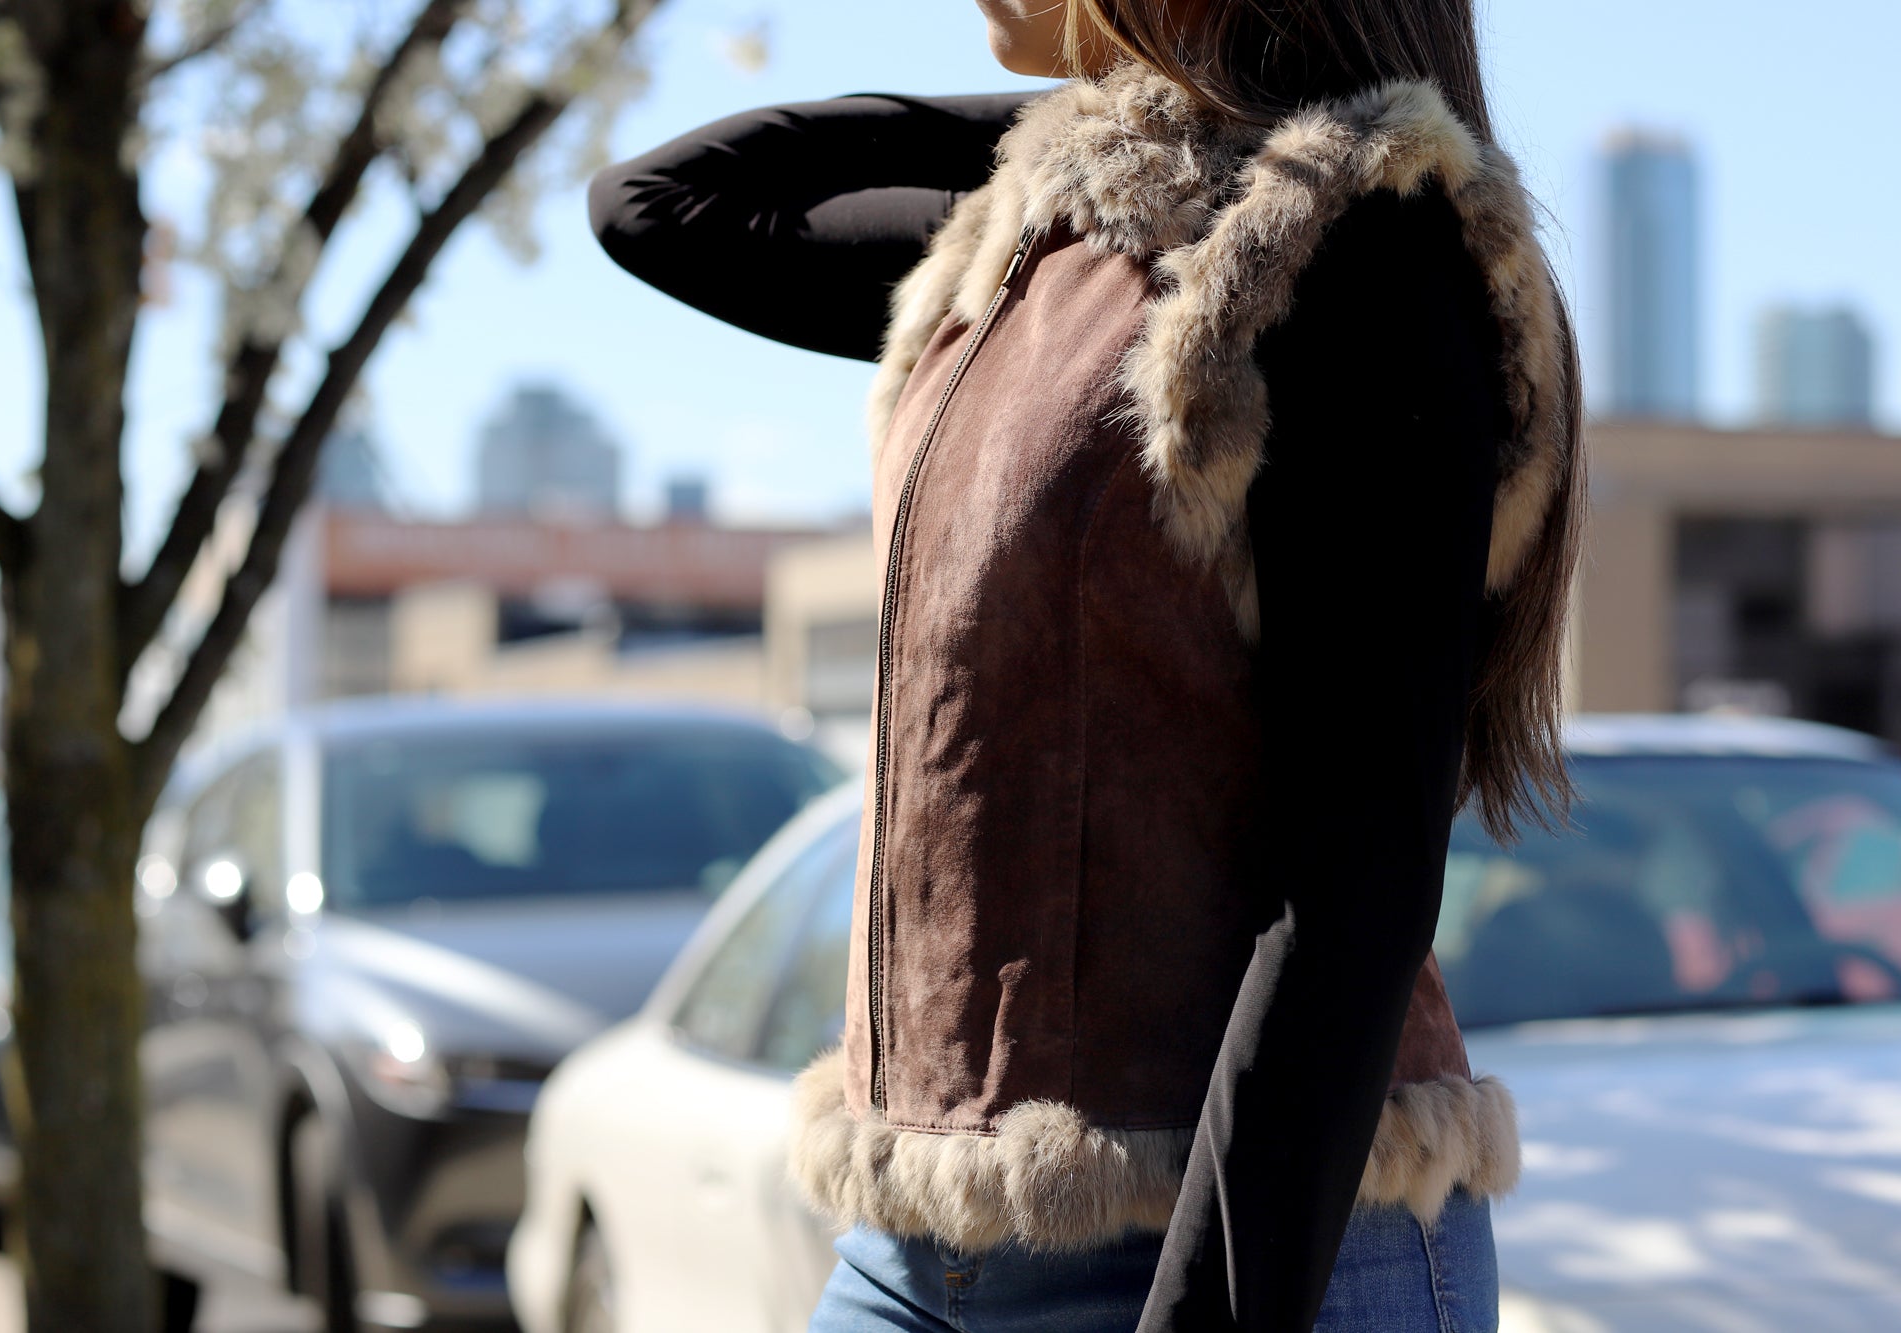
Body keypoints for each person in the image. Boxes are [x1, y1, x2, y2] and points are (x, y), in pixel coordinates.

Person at [587, 1, 1583, 1328]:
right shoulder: (1036, 251)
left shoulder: (1359, 242)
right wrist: (1123, 117)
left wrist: (1221, 111)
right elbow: (657, 202)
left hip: (1235, 1244)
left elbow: (1357, 884)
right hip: (913, 1243)